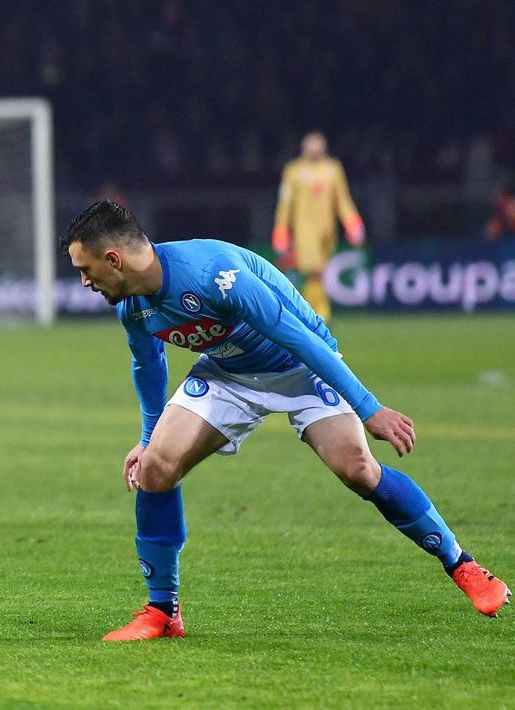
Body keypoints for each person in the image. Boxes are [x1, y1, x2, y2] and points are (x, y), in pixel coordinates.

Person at [62, 200, 509, 642]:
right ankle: (163, 612)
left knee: (358, 468)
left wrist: (369, 407)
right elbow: (148, 366)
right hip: (227, 372)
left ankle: (463, 564)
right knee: (155, 467)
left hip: (299, 362)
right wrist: (147, 437)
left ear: (114, 259)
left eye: (86, 270)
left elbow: (297, 336)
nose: (85, 282)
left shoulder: (215, 274)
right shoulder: (132, 306)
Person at [271, 132, 364, 322]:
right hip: (304, 230)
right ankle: (319, 313)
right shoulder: (294, 170)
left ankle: (312, 311)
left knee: (318, 272)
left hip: (327, 231)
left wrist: (353, 223)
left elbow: (342, 200)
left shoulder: (333, 169)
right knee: (313, 271)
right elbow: (285, 204)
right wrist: (280, 230)